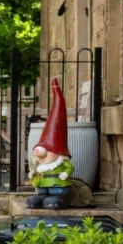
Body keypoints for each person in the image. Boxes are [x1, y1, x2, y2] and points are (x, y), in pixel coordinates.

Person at [28, 79, 82, 210]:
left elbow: (69, 167)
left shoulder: (60, 161)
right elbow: (35, 168)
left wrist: (66, 174)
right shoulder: (40, 164)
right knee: (38, 197)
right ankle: (41, 198)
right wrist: (33, 173)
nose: (42, 156)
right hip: (42, 184)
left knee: (55, 197)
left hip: (58, 185)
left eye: (48, 152)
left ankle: (58, 199)